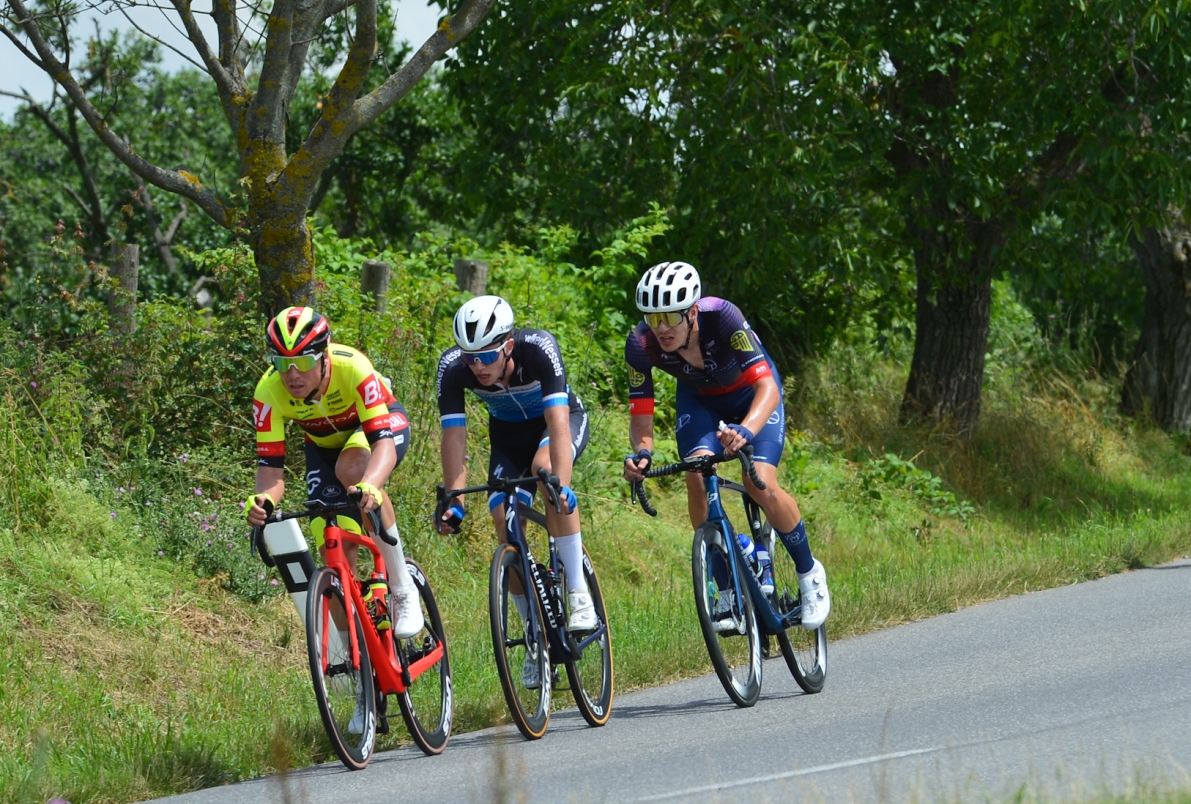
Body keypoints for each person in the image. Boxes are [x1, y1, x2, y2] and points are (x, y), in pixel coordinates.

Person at [621, 261, 830, 630]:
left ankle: (809, 573)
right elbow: (642, 418)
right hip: (700, 401)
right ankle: (729, 583)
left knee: (759, 481)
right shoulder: (640, 345)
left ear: (693, 311)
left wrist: (747, 431)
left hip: (753, 395)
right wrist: (641, 454)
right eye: (654, 319)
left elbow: (767, 388)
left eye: (671, 316)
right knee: (697, 477)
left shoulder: (723, 317)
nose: (663, 328)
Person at [433, 296, 595, 686]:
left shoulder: (538, 348)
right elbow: (453, 437)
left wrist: (563, 484)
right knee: (505, 526)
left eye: (486, 357)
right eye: (470, 357)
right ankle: (534, 638)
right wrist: (455, 500)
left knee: (545, 473)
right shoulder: (453, 367)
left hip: (557, 424)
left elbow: (557, 421)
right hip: (507, 439)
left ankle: (577, 590)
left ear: (507, 345)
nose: (477, 366)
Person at [245, 306, 423, 639]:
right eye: (282, 363)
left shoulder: (352, 366)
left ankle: (402, 587)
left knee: (353, 469)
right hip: (323, 447)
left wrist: (370, 484)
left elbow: (382, 442)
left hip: (378, 429)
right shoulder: (268, 392)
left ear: (324, 356)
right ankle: (359, 666)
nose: (292, 375)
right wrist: (263, 501)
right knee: (333, 552)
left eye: (303, 362)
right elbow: (270, 468)